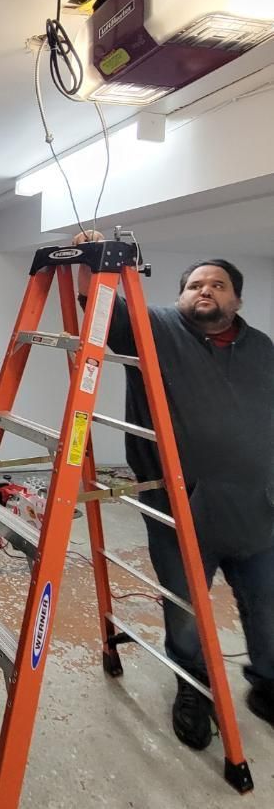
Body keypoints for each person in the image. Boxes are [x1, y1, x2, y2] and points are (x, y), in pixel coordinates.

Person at [73, 230, 274, 750]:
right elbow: (103, 308)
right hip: (182, 509)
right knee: (184, 605)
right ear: (180, 295)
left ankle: (269, 683)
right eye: (196, 284)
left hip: (258, 508)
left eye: (219, 284)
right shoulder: (156, 326)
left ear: (237, 300)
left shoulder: (261, 347)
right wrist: (92, 257)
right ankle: (193, 688)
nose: (206, 290)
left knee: (267, 602)